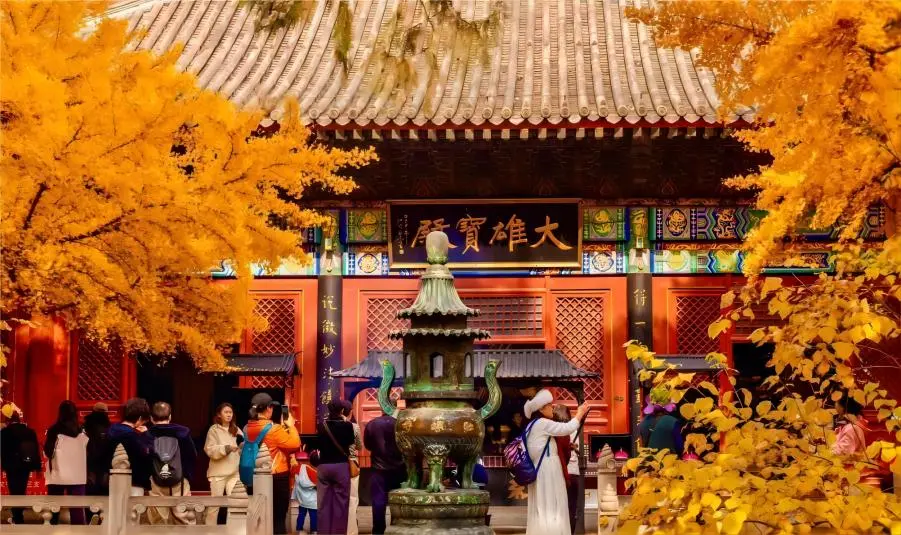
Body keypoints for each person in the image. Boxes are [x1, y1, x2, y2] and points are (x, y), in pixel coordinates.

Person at [522, 389, 590, 535]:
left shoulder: (531, 426)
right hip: (548, 471)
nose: (552, 407)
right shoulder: (542, 423)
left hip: (539, 470)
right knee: (552, 505)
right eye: (549, 405)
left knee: (541, 506)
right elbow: (567, 428)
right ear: (541, 409)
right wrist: (580, 413)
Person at [244, 393, 301, 534]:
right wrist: (291, 426)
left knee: (259, 515)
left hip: (253, 474)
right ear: (269, 409)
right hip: (276, 475)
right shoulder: (273, 429)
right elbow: (295, 444)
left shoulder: (247, 427)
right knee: (278, 517)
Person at [145, 401, 197, 525]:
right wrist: (186, 476)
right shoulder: (183, 434)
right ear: (170, 417)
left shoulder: (147, 435)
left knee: (157, 520)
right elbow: (192, 455)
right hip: (179, 481)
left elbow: (143, 459)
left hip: (156, 481)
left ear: (151, 418)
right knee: (184, 518)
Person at [44, 400, 89, 525]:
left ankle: (52, 528)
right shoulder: (82, 430)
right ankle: (79, 531)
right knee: (77, 509)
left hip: (58, 473)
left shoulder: (54, 430)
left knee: (54, 506)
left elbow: (48, 452)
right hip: (78, 475)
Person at [316, 400, 356, 535]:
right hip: (341, 467)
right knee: (341, 503)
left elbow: (317, 444)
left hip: (324, 467)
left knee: (323, 504)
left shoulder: (321, 426)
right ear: (342, 410)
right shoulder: (347, 426)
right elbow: (351, 442)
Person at [364, 408, 406, 535]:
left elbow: (368, 445)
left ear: (383, 407)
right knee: (398, 500)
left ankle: (378, 530)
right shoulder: (402, 424)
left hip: (378, 468)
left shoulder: (372, 424)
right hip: (400, 468)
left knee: (378, 501)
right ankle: (397, 526)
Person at [204, 402, 244, 525]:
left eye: (230, 412)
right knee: (215, 506)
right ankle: (210, 532)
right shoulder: (213, 430)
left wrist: (243, 447)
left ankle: (234, 530)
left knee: (235, 502)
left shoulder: (236, 429)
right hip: (218, 474)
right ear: (219, 415)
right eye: (226, 412)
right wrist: (226, 448)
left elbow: (243, 447)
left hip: (234, 473)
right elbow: (209, 449)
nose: (229, 415)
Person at [106, 397, 155, 497]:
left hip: (110, 481)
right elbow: (147, 454)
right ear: (140, 419)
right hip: (133, 483)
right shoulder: (132, 436)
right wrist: (147, 436)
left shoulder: (110, 430)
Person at [0, 409, 41, 524]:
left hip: (11, 467)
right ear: (19, 420)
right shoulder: (29, 431)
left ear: (8, 420)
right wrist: (37, 467)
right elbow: (35, 450)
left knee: (13, 490)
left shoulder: (4, 432)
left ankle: (17, 517)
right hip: (25, 465)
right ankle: (19, 516)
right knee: (22, 489)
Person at [553, 404, 581, 534]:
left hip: (558, 473)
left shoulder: (552, 431)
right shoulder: (574, 429)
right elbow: (580, 451)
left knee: (557, 507)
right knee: (571, 507)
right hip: (572, 473)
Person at [638, 387, 684, 455]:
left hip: (650, 462)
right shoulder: (672, 422)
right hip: (668, 463)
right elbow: (679, 447)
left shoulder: (643, 422)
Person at [343, 401, 362, 535]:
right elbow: (359, 446)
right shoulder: (354, 427)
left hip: (337, 463)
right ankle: (351, 530)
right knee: (352, 497)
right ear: (350, 411)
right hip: (351, 464)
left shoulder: (327, 425)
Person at [84, 402, 111, 496]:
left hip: (89, 463)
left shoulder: (85, 426)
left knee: (91, 490)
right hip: (104, 464)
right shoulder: (109, 428)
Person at [293, 451, 318, 534]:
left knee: (301, 514)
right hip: (313, 501)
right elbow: (318, 485)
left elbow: (297, 483)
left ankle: (299, 530)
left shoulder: (297, 469)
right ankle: (314, 531)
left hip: (302, 499)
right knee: (313, 516)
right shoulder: (315, 472)